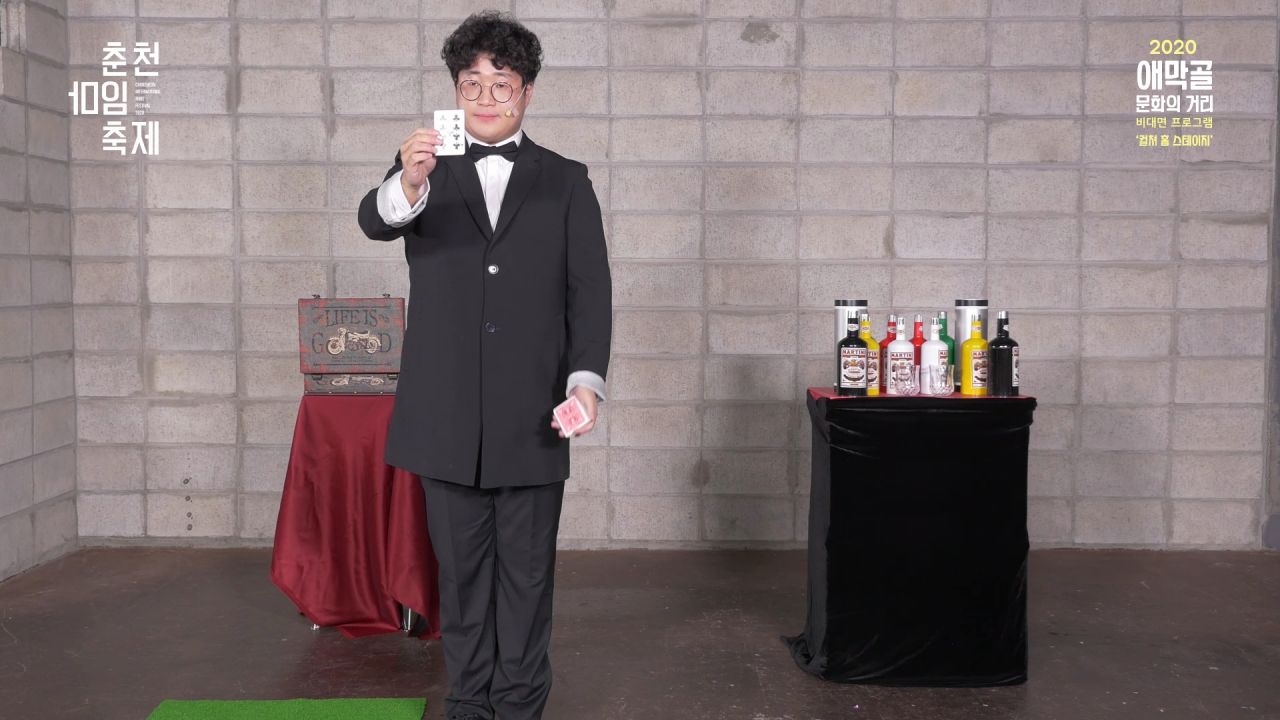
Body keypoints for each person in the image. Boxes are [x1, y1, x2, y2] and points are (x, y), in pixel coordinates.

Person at [356, 11, 611, 720]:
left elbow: (590, 293)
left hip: (534, 416)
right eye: (472, 83)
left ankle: (521, 706)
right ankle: (469, 703)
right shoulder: (424, 169)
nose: (487, 97)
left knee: (527, 579)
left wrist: (586, 383)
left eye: (502, 84)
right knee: (463, 580)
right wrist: (408, 181)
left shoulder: (566, 180)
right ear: (455, 91)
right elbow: (375, 220)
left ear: (526, 91)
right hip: (444, 416)